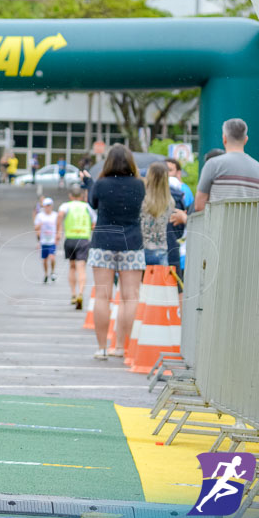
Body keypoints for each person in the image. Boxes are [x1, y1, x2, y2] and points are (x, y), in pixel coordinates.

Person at [87, 145, 144, 360]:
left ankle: (102, 348)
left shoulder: (101, 184)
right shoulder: (139, 185)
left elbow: (92, 204)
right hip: (132, 243)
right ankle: (121, 347)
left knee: (103, 296)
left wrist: (89, 185)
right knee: (130, 297)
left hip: (103, 242)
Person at [195, 119, 259, 210]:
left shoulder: (213, 165)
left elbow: (199, 205)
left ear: (224, 138)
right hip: (250, 224)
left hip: (218, 224)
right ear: (246, 140)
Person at [57, 185, 95, 309]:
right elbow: (94, 223)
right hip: (83, 239)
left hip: (70, 239)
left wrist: (59, 230)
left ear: (71, 196)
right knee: (81, 268)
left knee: (72, 267)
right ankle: (80, 293)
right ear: (83, 196)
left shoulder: (66, 206)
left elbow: (60, 215)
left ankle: (73, 293)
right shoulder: (87, 207)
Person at [140, 162, 176, 267]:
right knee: (159, 282)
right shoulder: (170, 201)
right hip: (160, 249)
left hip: (141, 248)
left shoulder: (141, 197)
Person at [34, 197, 58, 283]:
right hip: (44, 241)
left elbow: (59, 227)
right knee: (44, 260)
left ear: (51, 206)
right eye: (46, 206)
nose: (47, 207)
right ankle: (46, 274)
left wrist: (58, 236)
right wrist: (38, 241)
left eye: (49, 206)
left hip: (52, 241)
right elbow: (35, 228)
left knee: (52, 258)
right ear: (43, 206)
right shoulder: (40, 216)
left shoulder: (55, 215)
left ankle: (52, 272)